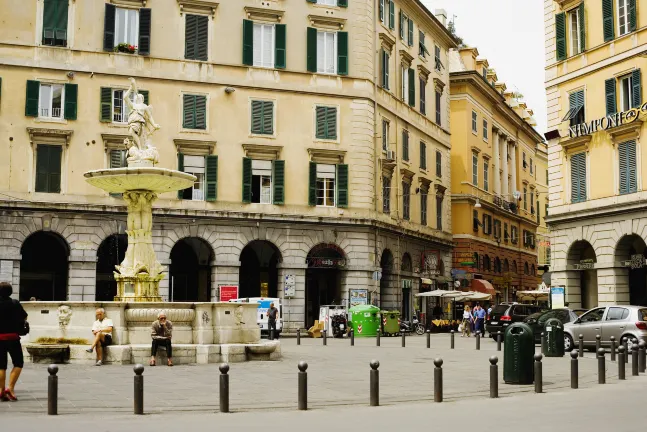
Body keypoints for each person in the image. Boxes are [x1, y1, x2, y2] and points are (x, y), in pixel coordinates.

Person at [0, 282, 27, 401]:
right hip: (12, 338)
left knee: (1, 366)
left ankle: (1, 391)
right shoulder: (15, 303)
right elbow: (24, 316)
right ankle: (10, 388)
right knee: (18, 363)